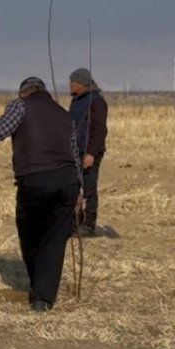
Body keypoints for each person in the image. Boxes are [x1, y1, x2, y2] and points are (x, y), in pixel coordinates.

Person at [0, 77, 81, 312]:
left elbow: (1, 130)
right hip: (67, 182)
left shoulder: (20, 105)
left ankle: (38, 286)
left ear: (23, 93)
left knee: (30, 233)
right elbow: (75, 155)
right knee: (55, 239)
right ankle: (43, 298)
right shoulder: (64, 114)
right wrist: (80, 191)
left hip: (35, 179)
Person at [68, 68, 108, 236]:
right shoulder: (76, 100)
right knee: (73, 188)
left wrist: (91, 153)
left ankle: (89, 225)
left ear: (82, 83)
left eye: (73, 82)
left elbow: (100, 131)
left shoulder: (97, 102)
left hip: (89, 153)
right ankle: (75, 223)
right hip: (75, 151)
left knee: (89, 189)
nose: (70, 85)